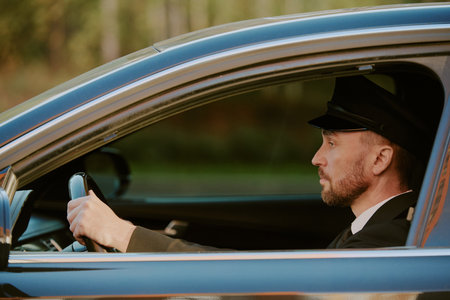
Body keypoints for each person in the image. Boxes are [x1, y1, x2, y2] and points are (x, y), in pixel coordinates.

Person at [67, 75, 440, 252]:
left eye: (331, 143)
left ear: (380, 159)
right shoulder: (378, 227)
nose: (316, 157)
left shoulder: (389, 242)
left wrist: (120, 234)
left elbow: (269, 285)